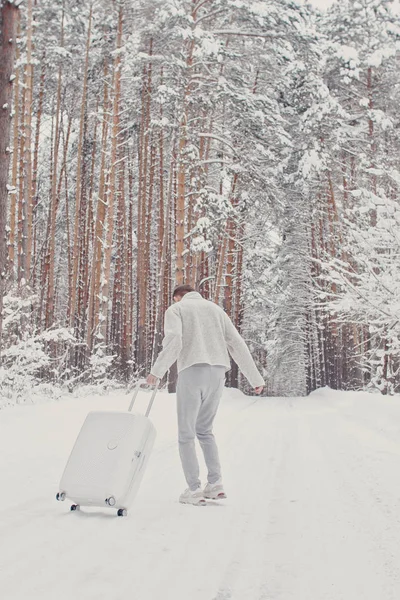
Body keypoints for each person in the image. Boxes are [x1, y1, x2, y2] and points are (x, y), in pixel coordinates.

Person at [146, 284, 264, 506]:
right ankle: (215, 483)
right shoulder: (216, 310)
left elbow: (175, 340)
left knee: (186, 433)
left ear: (177, 297)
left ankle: (193, 489)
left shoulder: (177, 310)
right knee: (205, 430)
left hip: (192, 370)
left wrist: (157, 371)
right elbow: (236, 343)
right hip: (217, 373)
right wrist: (255, 379)